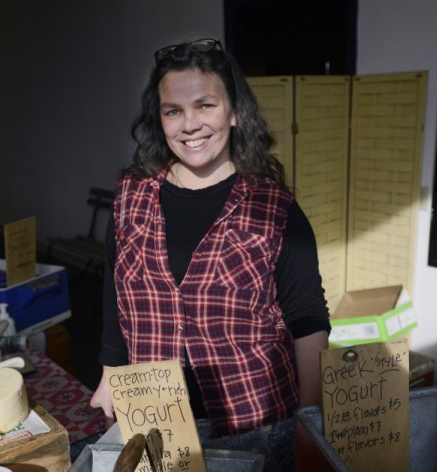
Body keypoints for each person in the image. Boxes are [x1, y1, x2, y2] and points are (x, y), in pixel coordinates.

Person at [88, 38, 330, 471]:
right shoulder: (132, 194)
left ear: (234, 112)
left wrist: (309, 419)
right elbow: (114, 285)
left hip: (253, 418)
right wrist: (111, 370)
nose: (190, 124)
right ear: (159, 119)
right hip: (153, 412)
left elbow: (308, 317)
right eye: (173, 111)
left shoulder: (275, 207)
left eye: (205, 105)